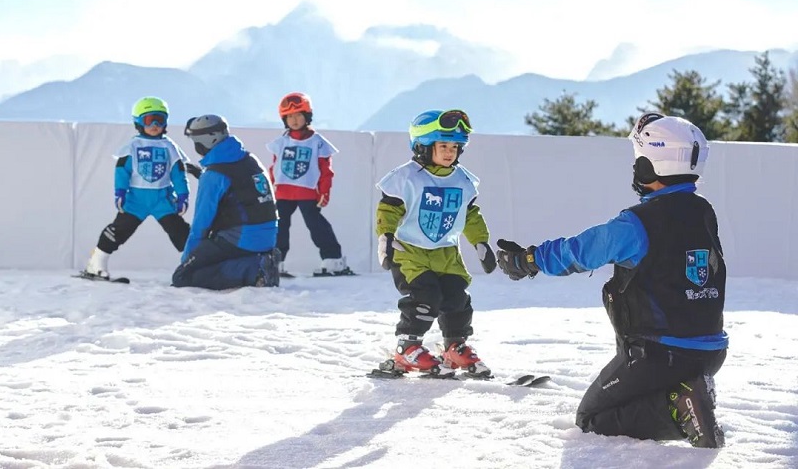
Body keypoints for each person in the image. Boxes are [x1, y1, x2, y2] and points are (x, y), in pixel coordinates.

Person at [495, 113, 727, 448]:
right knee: (635, 395)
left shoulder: (637, 224)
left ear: (650, 166)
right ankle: (685, 398)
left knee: (592, 418)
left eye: (639, 159)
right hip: (710, 352)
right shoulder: (703, 212)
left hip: (659, 353)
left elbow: (580, 252)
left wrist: (527, 260)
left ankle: (682, 407)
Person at [374, 109, 497, 377]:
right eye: (443, 145)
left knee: (457, 298)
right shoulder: (406, 177)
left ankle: (454, 346)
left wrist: (481, 243)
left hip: (446, 253)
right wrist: (386, 238)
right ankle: (407, 349)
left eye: (455, 146)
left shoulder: (463, 180)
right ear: (422, 145)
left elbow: (471, 214)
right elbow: (388, 210)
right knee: (424, 297)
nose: (450, 152)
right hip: (410, 252)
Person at [81, 96, 191, 280]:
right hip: (135, 200)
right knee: (119, 230)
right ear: (139, 122)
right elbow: (122, 171)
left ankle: (195, 265)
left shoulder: (170, 146)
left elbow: (178, 174)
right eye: (149, 120)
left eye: (160, 119)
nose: (155, 124)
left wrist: (183, 196)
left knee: (181, 232)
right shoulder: (132, 146)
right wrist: (120, 192)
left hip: (162, 200)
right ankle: (96, 264)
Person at [172, 115, 280, 290]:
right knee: (209, 260)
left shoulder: (214, 175)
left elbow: (201, 224)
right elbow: (241, 189)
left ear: (206, 140)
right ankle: (263, 260)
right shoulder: (249, 159)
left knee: (183, 277)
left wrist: (187, 261)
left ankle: (255, 269)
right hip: (267, 238)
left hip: (240, 240)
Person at [266, 92, 352, 277]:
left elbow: (326, 170)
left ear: (307, 116)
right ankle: (275, 262)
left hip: (307, 192)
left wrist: (324, 191)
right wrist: (271, 186)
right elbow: (275, 167)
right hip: (283, 192)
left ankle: (333, 261)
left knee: (316, 225)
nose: (294, 120)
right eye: (289, 116)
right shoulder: (281, 142)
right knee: (279, 227)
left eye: (298, 115)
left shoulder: (318, 142)